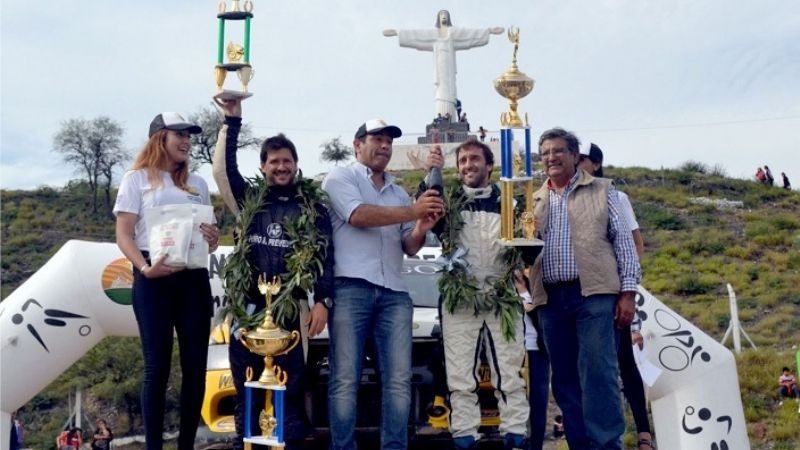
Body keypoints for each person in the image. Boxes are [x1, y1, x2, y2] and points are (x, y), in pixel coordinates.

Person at [212, 98, 335, 450]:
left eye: (287, 161)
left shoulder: (313, 208)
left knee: (292, 387)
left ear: (296, 165)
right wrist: (232, 122)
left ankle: (291, 442)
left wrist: (323, 301)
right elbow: (223, 172)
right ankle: (246, 442)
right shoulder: (248, 199)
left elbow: (328, 259)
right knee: (246, 385)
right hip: (247, 307)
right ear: (263, 166)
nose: (281, 167)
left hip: (293, 309)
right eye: (274, 161)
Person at [322, 118, 444, 450]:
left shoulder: (399, 192)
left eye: (389, 140)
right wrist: (412, 211)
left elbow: (409, 246)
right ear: (357, 144)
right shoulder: (340, 178)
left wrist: (421, 224)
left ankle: (394, 446)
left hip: (395, 292)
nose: (385, 145)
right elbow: (358, 215)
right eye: (376, 139)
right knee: (345, 380)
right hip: (350, 289)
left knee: (398, 382)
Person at [528, 128, 641, 450]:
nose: (551, 157)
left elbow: (625, 243)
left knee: (598, 373)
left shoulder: (605, 191)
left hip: (594, 294)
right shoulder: (532, 199)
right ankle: (579, 444)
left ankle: (606, 444)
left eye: (558, 151)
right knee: (563, 379)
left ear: (575, 156)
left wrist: (628, 293)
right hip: (550, 299)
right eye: (546, 152)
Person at [113, 112, 219, 450]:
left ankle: (186, 445)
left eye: (190, 135)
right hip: (154, 280)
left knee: (194, 368)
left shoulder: (199, 184)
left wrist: (213, 237)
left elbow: (211, 235)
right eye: (180, 134)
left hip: (193, 279)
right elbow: (124, 235)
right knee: (156, 368)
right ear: (160, 137)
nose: (187, 140)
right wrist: (144, 268)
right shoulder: (136, 179)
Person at [422, 141, 528, 450]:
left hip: (502, 298)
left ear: (489, 165)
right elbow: (427, 205)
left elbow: (527, 246)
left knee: (510, 374)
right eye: (463, 160)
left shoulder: (508, 201)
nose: (468, 165)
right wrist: (433, 170)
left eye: (475, 159)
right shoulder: (450, 200)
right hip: (461, 301)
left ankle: (516, 439)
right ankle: (464, 439)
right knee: (460, 378)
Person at [578, 144, 652, 449]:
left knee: (622, 360)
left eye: (581, 160)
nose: (577, 165)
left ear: (596, 164)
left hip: (611, 292)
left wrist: (626, 287)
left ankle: (643, 432)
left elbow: (635, 244)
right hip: (580, 295)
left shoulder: (615, 196)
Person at [384, 10, 503, 120]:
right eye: (442, 15)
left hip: (450, 69)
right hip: (439, 68)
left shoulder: (454, 34)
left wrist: (489, 31)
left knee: (450, 90)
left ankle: (451, 119)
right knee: (441, 90)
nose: (444, 16)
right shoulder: (433, 34)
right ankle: (441, 118)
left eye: (446, 14)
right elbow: (416, 35)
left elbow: (469, 34)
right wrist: (398, 33)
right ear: (438, 18)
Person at [514, 270, 549, 450]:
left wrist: (532, 307)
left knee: (538, 401)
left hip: (536, 348)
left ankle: (535, 445)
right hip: (512, 351)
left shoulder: (536, 283)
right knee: (514, 398)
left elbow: (545, 312)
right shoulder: (503, 286)